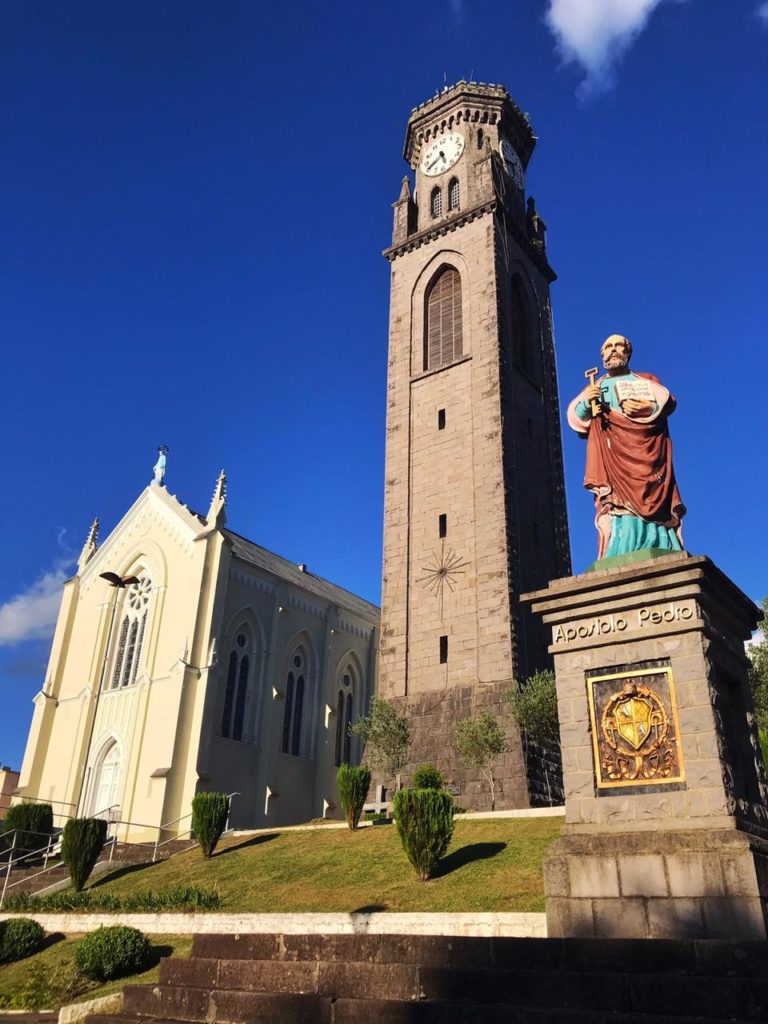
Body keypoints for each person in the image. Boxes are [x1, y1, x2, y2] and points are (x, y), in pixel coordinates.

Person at [567, 334, 685, 560]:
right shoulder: (596, 385)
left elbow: (667, 402)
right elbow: (578, 420)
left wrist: (647, 407)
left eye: (619, 345)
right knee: (616, 501)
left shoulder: (646, 379)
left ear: (628, 352)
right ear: (602, 354)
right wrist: (586, 403)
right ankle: (621, 545)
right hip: (612, 456)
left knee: (652, 493)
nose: (613, 350)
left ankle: (659, 539)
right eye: (608, 347)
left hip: (647, 452)